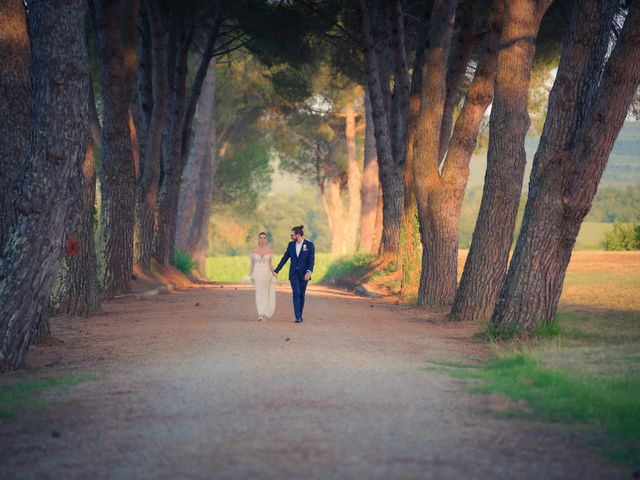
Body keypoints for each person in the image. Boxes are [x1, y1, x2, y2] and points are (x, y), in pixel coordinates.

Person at [274, 225, 315, 324]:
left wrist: (309, 272)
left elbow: (311, 260)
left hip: (304, 273)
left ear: (298, 235)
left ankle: (300, 315)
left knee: (302, 294)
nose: (291, 237)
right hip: (294, 273)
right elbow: (284, 258)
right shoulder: (290, 245)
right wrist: (276, 270)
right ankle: (297, 316)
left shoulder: (309, 245)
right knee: (296, 293)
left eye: (292, 235)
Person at [249, 232, 276, 321]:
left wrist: (274, 272)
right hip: (257, 273)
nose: (262, 239)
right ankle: (260, 313)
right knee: (258, 292)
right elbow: (252, 263)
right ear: (258, 239)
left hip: (266, 274)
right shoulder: (253, 250)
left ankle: (264, 311)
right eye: (261, 237)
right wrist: (250, 274)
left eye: (264, 238)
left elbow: (270, 263)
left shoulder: (270, 250)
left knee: (265, 293)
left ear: (266, 239)